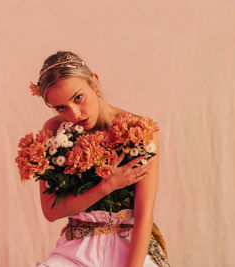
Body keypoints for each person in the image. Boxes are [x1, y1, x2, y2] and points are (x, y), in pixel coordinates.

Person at [29, 51, 170, 267]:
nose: (74, 114)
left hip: (131, 247)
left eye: (78, 98)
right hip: (76, 251)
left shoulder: (139, 131)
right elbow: (51, 211)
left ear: (94, 82)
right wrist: (108, 185)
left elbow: (144, 214)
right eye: (61, 107)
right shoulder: (53, 131)